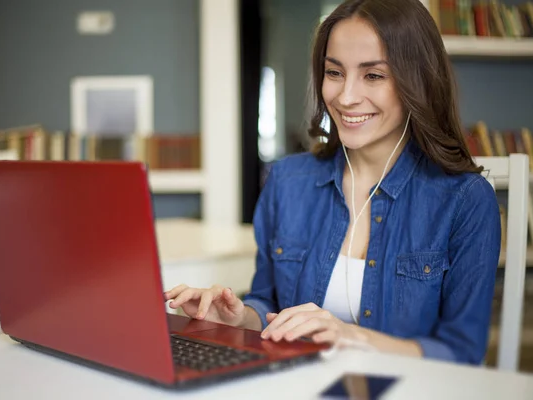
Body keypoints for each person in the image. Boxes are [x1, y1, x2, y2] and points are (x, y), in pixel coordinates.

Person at [164, 0, 501, 365]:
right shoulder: (287, 182)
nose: (346, 97)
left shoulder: (465, 200)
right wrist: (238, 318)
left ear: (417, 80)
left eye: (373, 75)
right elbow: (269, 304)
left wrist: (351, 337)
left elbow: (461, 352)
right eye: (335, 72)